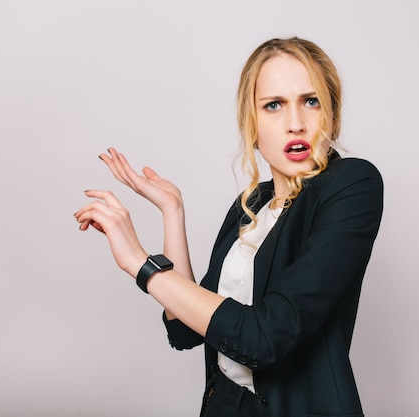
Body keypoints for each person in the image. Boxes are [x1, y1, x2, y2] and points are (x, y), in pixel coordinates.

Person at [74, 37, 383, 417]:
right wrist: (173, 212)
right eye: (274, 105)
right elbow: (185, 330)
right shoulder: (250, 206)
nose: (296, 123)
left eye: (311, 101)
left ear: (332, 114)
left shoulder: (352, 185)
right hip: (224, 405)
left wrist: (141, 263)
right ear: (251, 125)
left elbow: (263, 338)